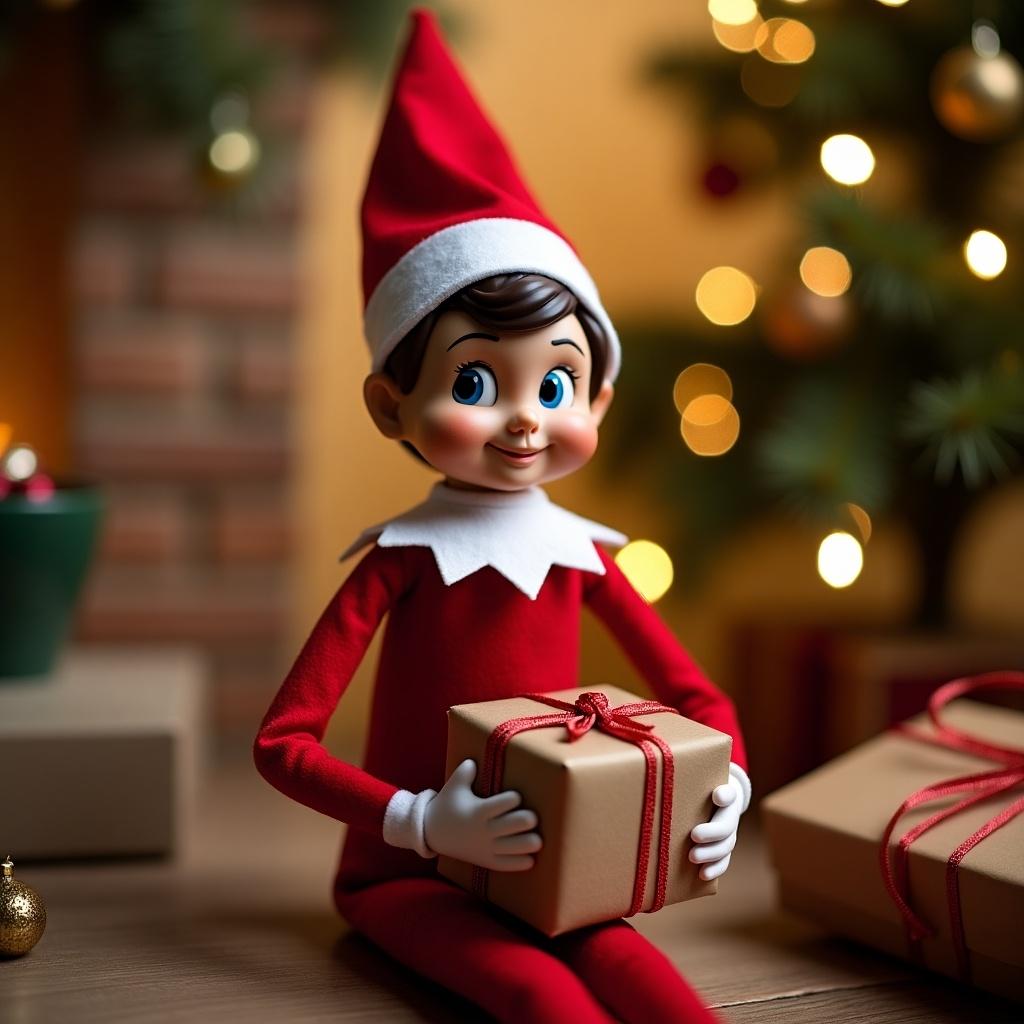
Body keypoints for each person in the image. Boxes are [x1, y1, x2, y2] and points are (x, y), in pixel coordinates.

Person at [254, 11, 750, 1023]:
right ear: (392, 406)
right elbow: (283, 741)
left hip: (551, 870)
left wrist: (727, 783)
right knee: (541, 1000)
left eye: (559, 383)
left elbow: (699, 696)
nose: (527, 416)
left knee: (661, 992)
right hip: (408, 873)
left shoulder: (579, 556)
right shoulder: (400, 561)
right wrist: (420, 819)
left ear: (598, 401)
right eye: (477, 378)